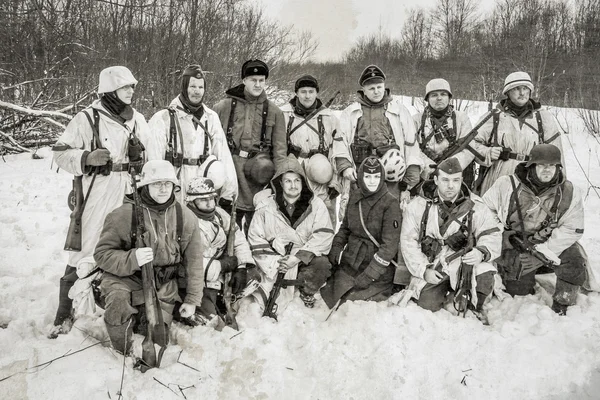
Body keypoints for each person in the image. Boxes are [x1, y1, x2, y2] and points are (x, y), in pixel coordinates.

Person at [49, 66, 152, 338]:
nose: (132, 91)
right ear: (110, 89)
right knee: (87, 246)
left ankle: (125, 304)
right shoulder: (87, 118)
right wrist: (86, 158)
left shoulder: (138, 120)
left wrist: (140, 159)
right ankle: (64, 310)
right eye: (125, 86)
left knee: (130, 244)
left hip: (130, 189)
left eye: (132, 86)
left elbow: (154, 157)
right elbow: (60, 153)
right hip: (98, 190)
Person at [94, 160, 204, 355]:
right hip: (126, 278)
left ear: (174, 186)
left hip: (163, 284)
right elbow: (102, 255)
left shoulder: (185, 216)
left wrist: (192, 299)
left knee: (157, 335)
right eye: (156, 184)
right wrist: (132, 258)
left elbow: (194, 261)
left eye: (167, 184)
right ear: (145, 185)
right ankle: (121, 353)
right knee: (118, 304)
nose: (163, 189)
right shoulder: (123, 215)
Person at [482, 144, 587, 315]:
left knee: (575, 259)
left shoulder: (569, 191)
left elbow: (572, 228)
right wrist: (504, 235)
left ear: (558, 167)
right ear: (531, 165)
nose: (547, 170)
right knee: (518, 291)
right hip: (516, 245)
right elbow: (484, 211)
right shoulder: (506, 184)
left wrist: (543, 255)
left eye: (552, 165)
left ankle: (563, 304)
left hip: (550, 243)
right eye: (541, 165)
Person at [397, 158, 502, 315]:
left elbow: (491, 233)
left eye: (456, 180)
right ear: (436, 180)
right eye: (445, 180)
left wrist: (481, 252)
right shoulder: (417, 206)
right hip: (433, 262)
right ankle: (446, 292)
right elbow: (408, 242)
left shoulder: (476, 206)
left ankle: (473, 302)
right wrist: (424, 271)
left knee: (484, 274)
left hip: (463, 262)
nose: (451, 186)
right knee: (426, 306)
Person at [247, 155, 334, 313]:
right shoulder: (266, 206)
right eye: (288, 181)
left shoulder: (316, 205)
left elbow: (323, 235)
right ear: (280, 183)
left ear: (303, 182)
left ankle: (306, 291)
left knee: (322, 264)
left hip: (301, 259)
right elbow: (255, 237)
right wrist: (277, 261)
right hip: (274, 261)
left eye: (297, 180)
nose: (293, 185)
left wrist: (297, 258)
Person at [213, 59, 287, 234]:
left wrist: (279, 181)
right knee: (227, 223)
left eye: (261, 80)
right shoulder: (222, 107)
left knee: (257, 228)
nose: (258, 84)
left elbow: (280, 151)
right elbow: (212, 143)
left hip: (258, 176)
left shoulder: (275, 112)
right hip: (230, 172)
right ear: (244, 80)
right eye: (253, 80)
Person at [147, 64, 237, 204]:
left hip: (203, 192)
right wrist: (158, 194)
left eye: (201, 87)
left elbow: (223, 155)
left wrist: (228, 193)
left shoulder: (211, 118)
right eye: (193, 87)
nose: (197, 91)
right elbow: (154, 161)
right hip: (175, 189)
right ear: (184, 88)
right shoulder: (163, 118)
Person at [335, 65, 422, 209]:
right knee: (359, 214)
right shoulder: (350, 113)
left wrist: (411, 176)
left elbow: (411, 144)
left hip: (392, 174)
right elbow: (340, 142)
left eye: (379, 87)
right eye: (371, 88)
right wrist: (345, 167)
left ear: (384, 86)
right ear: (363, 90)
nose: (376, 91)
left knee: (390, 213)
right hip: (360, 172)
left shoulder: (399, 111)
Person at [464, 71, 564, 195]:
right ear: (508, 92)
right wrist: (488, 152)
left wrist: (560, 186)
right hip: (498, 175)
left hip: (532, 178)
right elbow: (471, 145)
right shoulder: (493, 117)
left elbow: (556, 154)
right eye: (517, 89)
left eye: (525, 88)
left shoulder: (543, 118)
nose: (522, 93)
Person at [320, 156, 401, 308]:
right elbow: (345, 228)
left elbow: (389, 247)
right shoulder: (355, 195)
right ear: (361, 177)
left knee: (353, 303)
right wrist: (336, 248)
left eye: (376, 176)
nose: (372, 181)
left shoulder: (390, 203)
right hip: (352, 261)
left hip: (376, 268)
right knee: (333, 295)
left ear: (382, 177)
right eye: (368, 176)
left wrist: (371, 274)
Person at [181, 176, 259, 324]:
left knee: (253, 277)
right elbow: (187, 262)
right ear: (192, 201)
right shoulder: (185, 221)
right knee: (208, 322)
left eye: (212, 198)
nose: (210, 203)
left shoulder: (219, 214)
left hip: (222, 272)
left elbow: (238, 239)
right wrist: (222, 265)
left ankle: (226, 301)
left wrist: (241, 267)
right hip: (197, 279)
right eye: (203, 199)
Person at [280, 74, 343, 225]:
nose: (307, 96)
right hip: (294, 173)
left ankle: (327, 248)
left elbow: (338, 150)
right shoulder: (284, 115)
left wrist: (335, 181)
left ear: (316, 92)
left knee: (325, 217)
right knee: (294, 218)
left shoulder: (329, 118)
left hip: (321, 174)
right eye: (303, 91)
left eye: (311, 91)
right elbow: (276, 147)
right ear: (296, 93)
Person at [413, 78, 475, 186]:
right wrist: (428, 166)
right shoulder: (416, 120)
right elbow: (411, 148)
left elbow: (469, 149)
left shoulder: (461, 118)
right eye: (434, 95)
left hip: (454, 176)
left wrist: (449, 167)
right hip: (425, 174)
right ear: (427, 99)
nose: (439, 98)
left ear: (449, 97)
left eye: (443, 94)